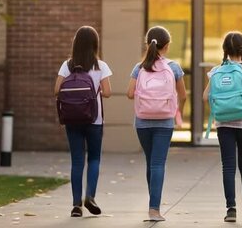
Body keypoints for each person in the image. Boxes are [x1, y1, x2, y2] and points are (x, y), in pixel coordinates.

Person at [126, 26, 186, 222]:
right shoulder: (174, 67)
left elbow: (129, 93)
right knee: (158, 163)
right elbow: (183, 95)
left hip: (142, 121)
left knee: (151, 161)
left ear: (147, 44)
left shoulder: (139, 67)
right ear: (167, 46)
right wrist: (179, 114)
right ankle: (154, 210)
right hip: (165, 121)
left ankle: (152, 204)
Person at [54, 26, 112, 217]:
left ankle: (76, 205)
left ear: (75, 44)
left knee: (77, 161)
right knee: (94, 158)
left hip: (72, 119)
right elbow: (108, 92)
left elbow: (56, 90)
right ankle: (91, 196)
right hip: (94, 119)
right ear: (95, 44)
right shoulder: (100, 66)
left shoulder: (67, 65)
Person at [203, 31, 242, 223]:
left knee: (228, 166)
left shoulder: (216, 71)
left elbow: (205, 97)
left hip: (223, 123)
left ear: (225, 50)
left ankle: (231, 209)